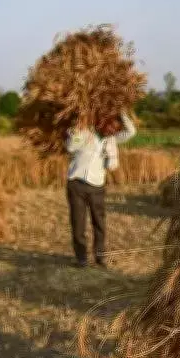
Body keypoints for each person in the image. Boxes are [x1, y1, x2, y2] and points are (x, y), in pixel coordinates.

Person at [65, 112, 136, 268]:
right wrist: (77, 131)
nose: (112, 130)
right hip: (76, 184)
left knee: (99, 223)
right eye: (110, 126)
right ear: (103, 121)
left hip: (97, 186)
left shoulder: (112, 140)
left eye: (116, 129)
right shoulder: (86, 133)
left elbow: (131, 131)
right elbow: (70, 147)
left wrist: (121, 110)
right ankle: (81, 258)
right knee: (78, 223)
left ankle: (100, 256)